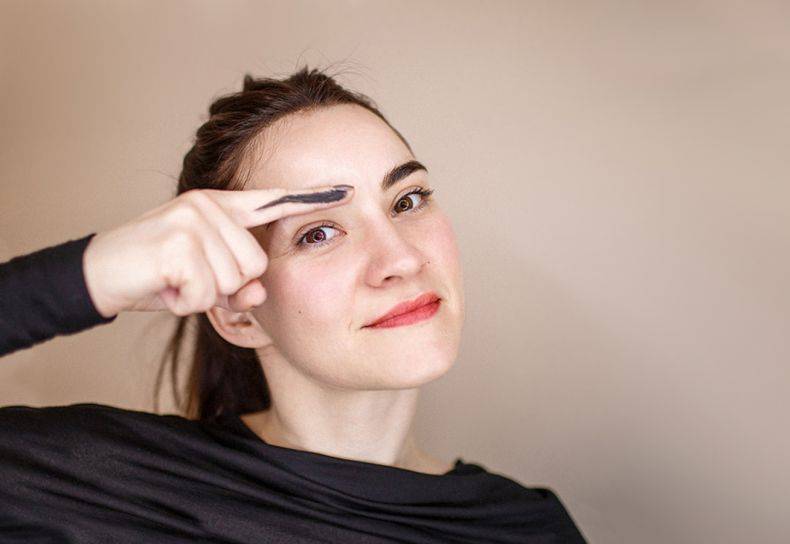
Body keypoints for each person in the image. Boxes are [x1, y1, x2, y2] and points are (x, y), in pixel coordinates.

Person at [0, 66, 588, 543]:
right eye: (318, 233)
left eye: (407, 200)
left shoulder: (528, 528)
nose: (401, 258)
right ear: (237, 314)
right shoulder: (111, 489)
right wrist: (92, 274)